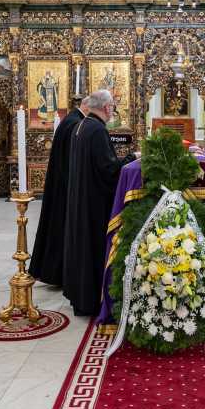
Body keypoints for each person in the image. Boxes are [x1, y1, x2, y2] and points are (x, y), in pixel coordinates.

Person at [62, 90, 136, 316]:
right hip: (94, 204)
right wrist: (133, 158)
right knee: (92, 249)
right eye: (112, 105)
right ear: (106, 107)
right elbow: (110, 171)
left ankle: (81, 298)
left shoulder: (82, 126)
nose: (113, 109)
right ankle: (92, 300)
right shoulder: (96, 130)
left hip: (83, 200)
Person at [29, 97, 90, 286]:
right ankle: (57, 272)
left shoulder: (71, 120)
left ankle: (52, 271)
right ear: (87, 107)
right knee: (61, 229)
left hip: (61, 182)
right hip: (66, 185)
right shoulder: (77, 124)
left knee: (56, 228)